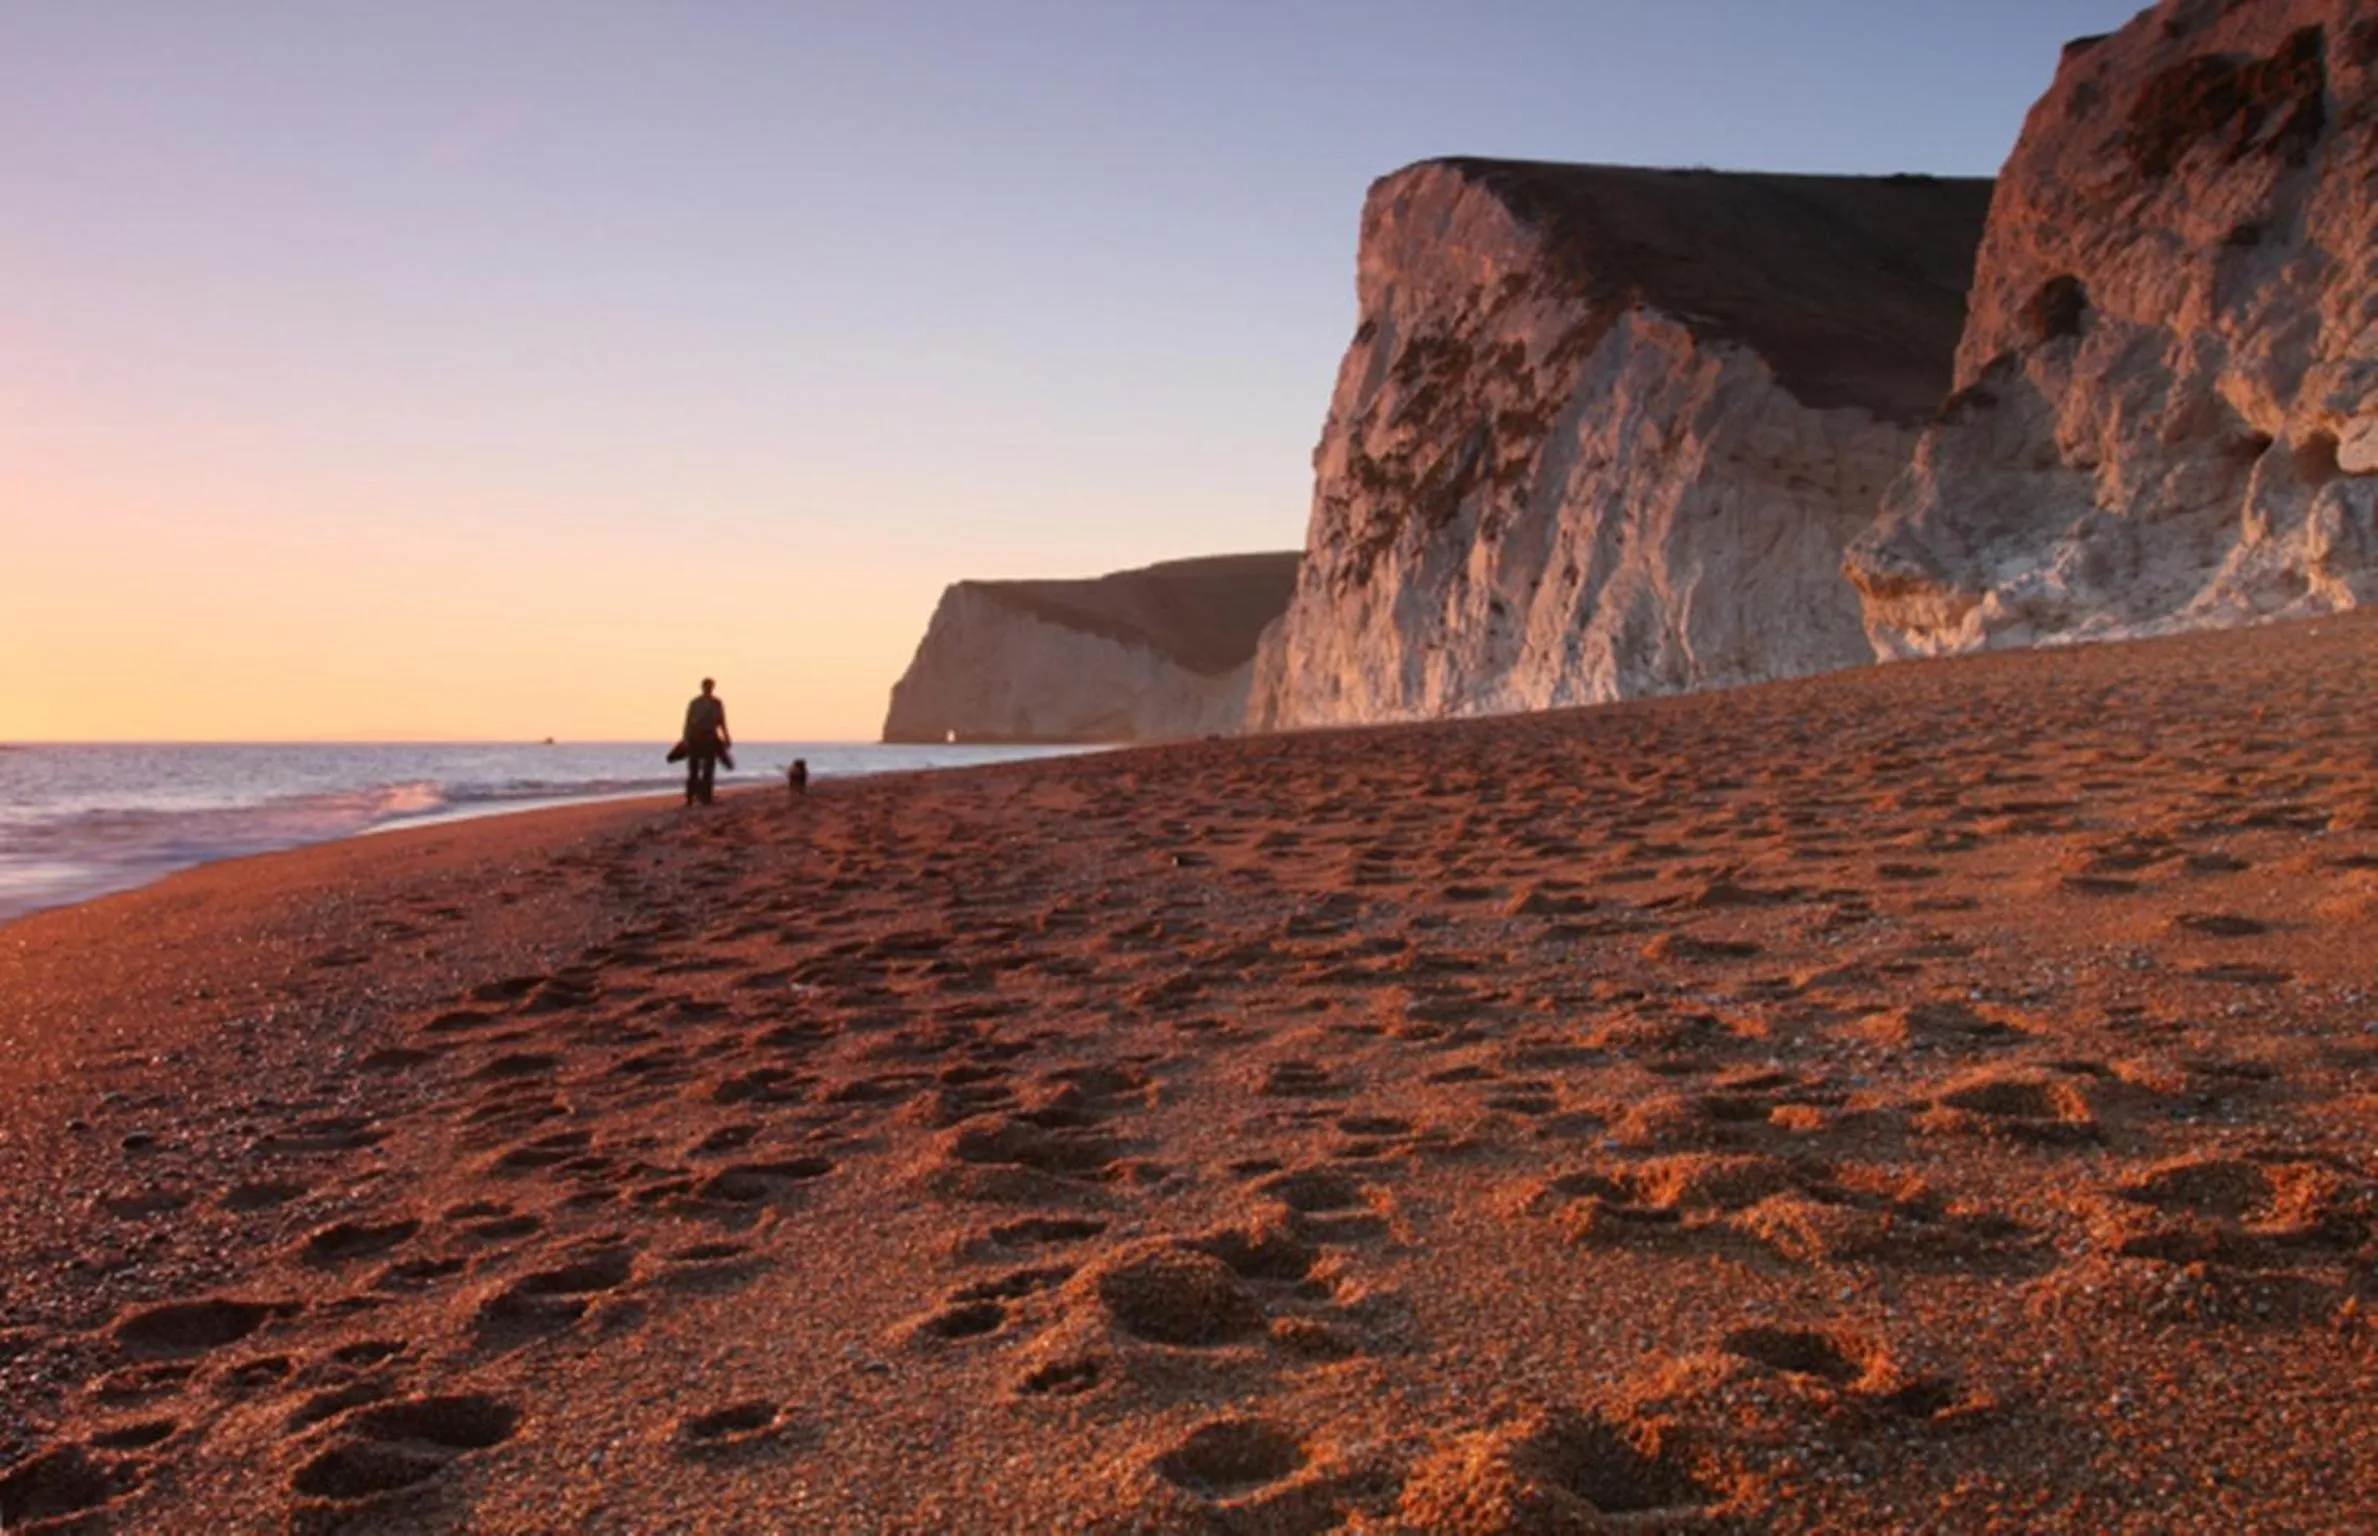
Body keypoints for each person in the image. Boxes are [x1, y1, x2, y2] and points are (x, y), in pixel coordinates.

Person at [679, 678, 730, 805]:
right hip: (696, 737)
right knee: (693, 769)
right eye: (706, 686)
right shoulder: (695, 703)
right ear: (702, 687)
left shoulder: (717, 703)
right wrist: (686, 738)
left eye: (710, 686)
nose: (708, 688)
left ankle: (706, 797)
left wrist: (726, 736)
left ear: (713, 687)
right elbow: (688, 721)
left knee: (709, 768)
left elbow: (722, 721)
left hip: (710, 737)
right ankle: (690, 798)